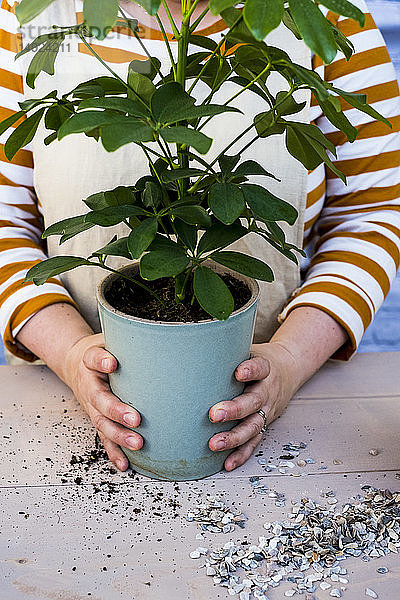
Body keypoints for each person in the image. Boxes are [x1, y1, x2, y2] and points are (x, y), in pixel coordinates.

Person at [0, 0, 399, 473]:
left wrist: (290, 362)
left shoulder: (323, 15)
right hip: (46, 413)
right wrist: (69, 354)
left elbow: (369, 215)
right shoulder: (26, 13)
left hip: (288, 410)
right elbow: (6, 220)